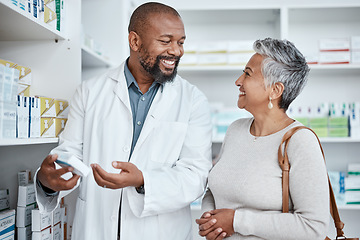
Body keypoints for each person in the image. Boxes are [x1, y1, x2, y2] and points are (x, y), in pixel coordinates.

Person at [34, 2, 212, 240]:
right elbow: (69, 155)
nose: (176, 51)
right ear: (135, 41)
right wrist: (48, 181)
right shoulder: (90, 92)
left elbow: (196, 176)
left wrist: (143, 180)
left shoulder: (193, 100)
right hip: (96, 229)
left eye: (180, 42)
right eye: (165, 41)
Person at [196, 38, 330, 240]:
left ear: (275, 90)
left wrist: (236, 221)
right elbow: (214, 189)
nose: (238, 81)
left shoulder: (300, 141)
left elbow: (313, 227)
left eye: (247, 74)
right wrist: (210, 219)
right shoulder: (235, 130)